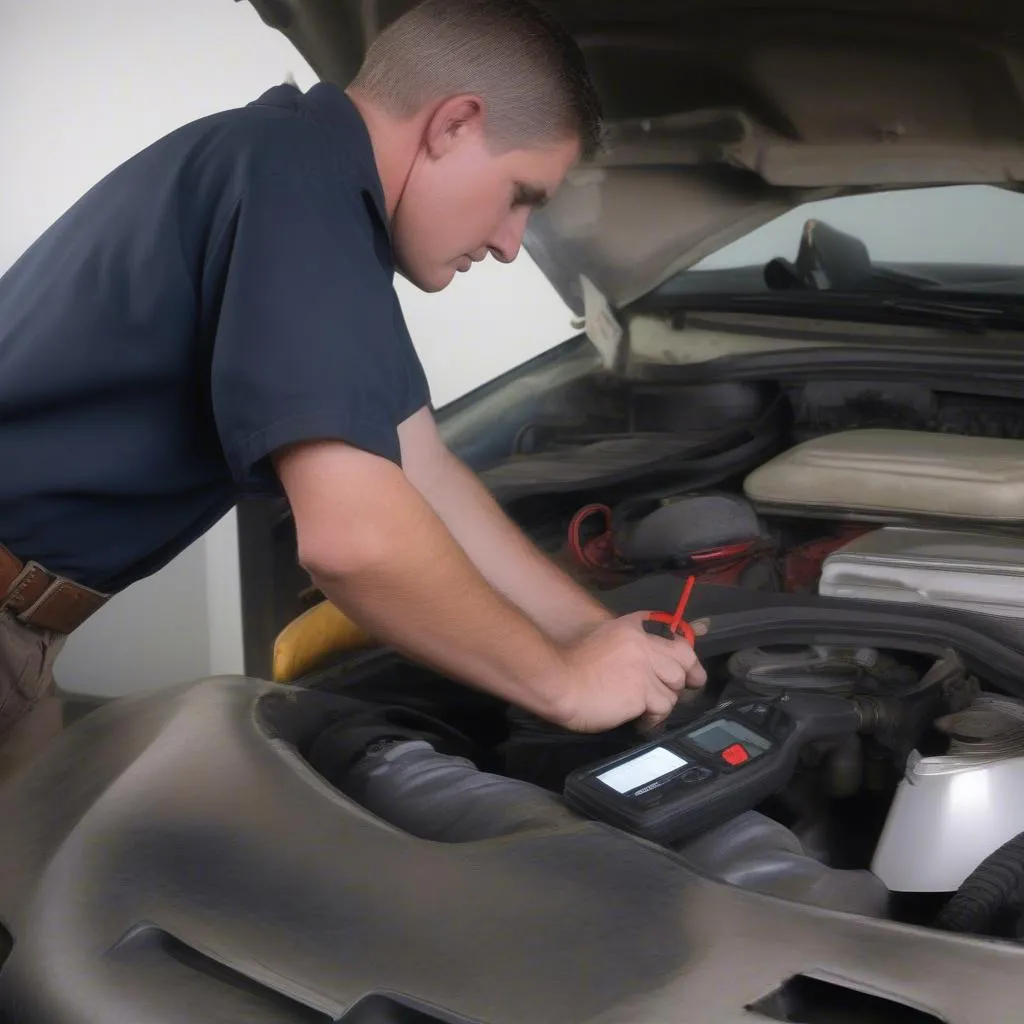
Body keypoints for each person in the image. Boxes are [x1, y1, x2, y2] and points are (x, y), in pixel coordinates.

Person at [0, 0, 705, 771]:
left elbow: (423, 468)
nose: (511, 245)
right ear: (454, 125)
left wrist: (592, 634)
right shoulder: (295, 185)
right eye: (520, 197)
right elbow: (355, 542)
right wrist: (566, 685)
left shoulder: (308, 185)